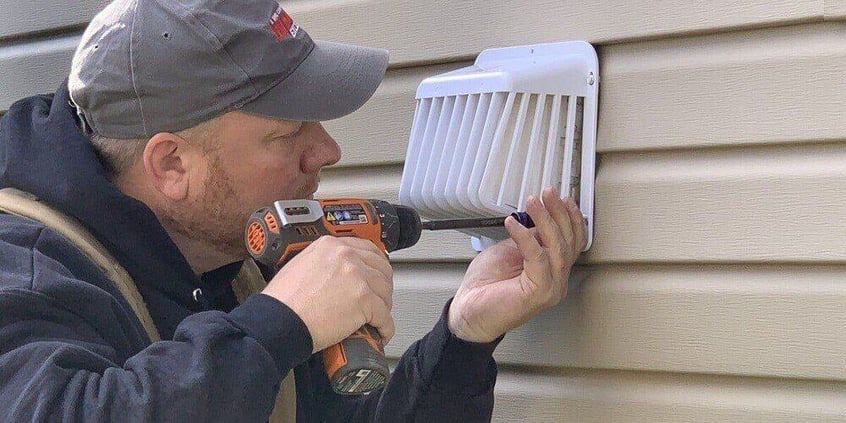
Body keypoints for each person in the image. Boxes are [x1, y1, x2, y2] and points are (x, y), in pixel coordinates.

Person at [0, 0, 587, 421]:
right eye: (286, 134)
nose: (326, 151)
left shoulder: (237, 266)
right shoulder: (22, 274)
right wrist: (276, 326)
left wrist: (464, 337)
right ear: (172, 165)